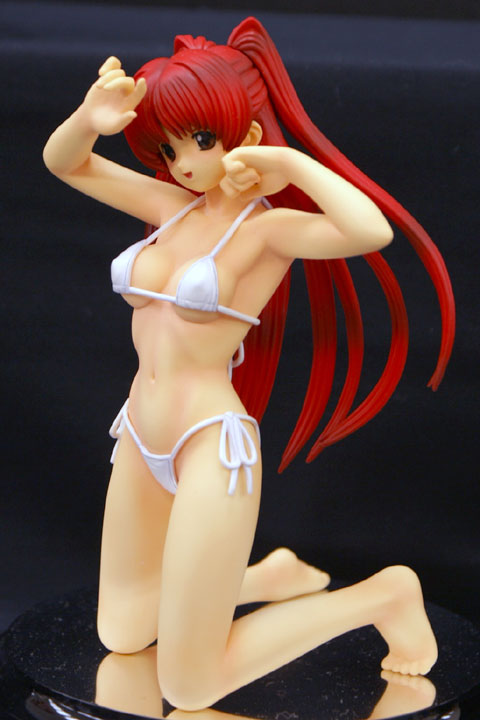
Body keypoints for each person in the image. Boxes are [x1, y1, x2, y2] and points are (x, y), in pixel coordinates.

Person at [43, 16, 450, 711]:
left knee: (189, 685)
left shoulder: (268, 232)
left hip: (211, 442)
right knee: (122, 631)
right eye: (169, 147)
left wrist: (291, 167)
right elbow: (66, 163)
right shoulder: (171, 207)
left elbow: (370, 230)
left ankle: (383, 596)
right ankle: (265, 579)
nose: (184, 163)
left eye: (200, 140)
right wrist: (89, 118)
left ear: (247, 134)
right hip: (139, 431)